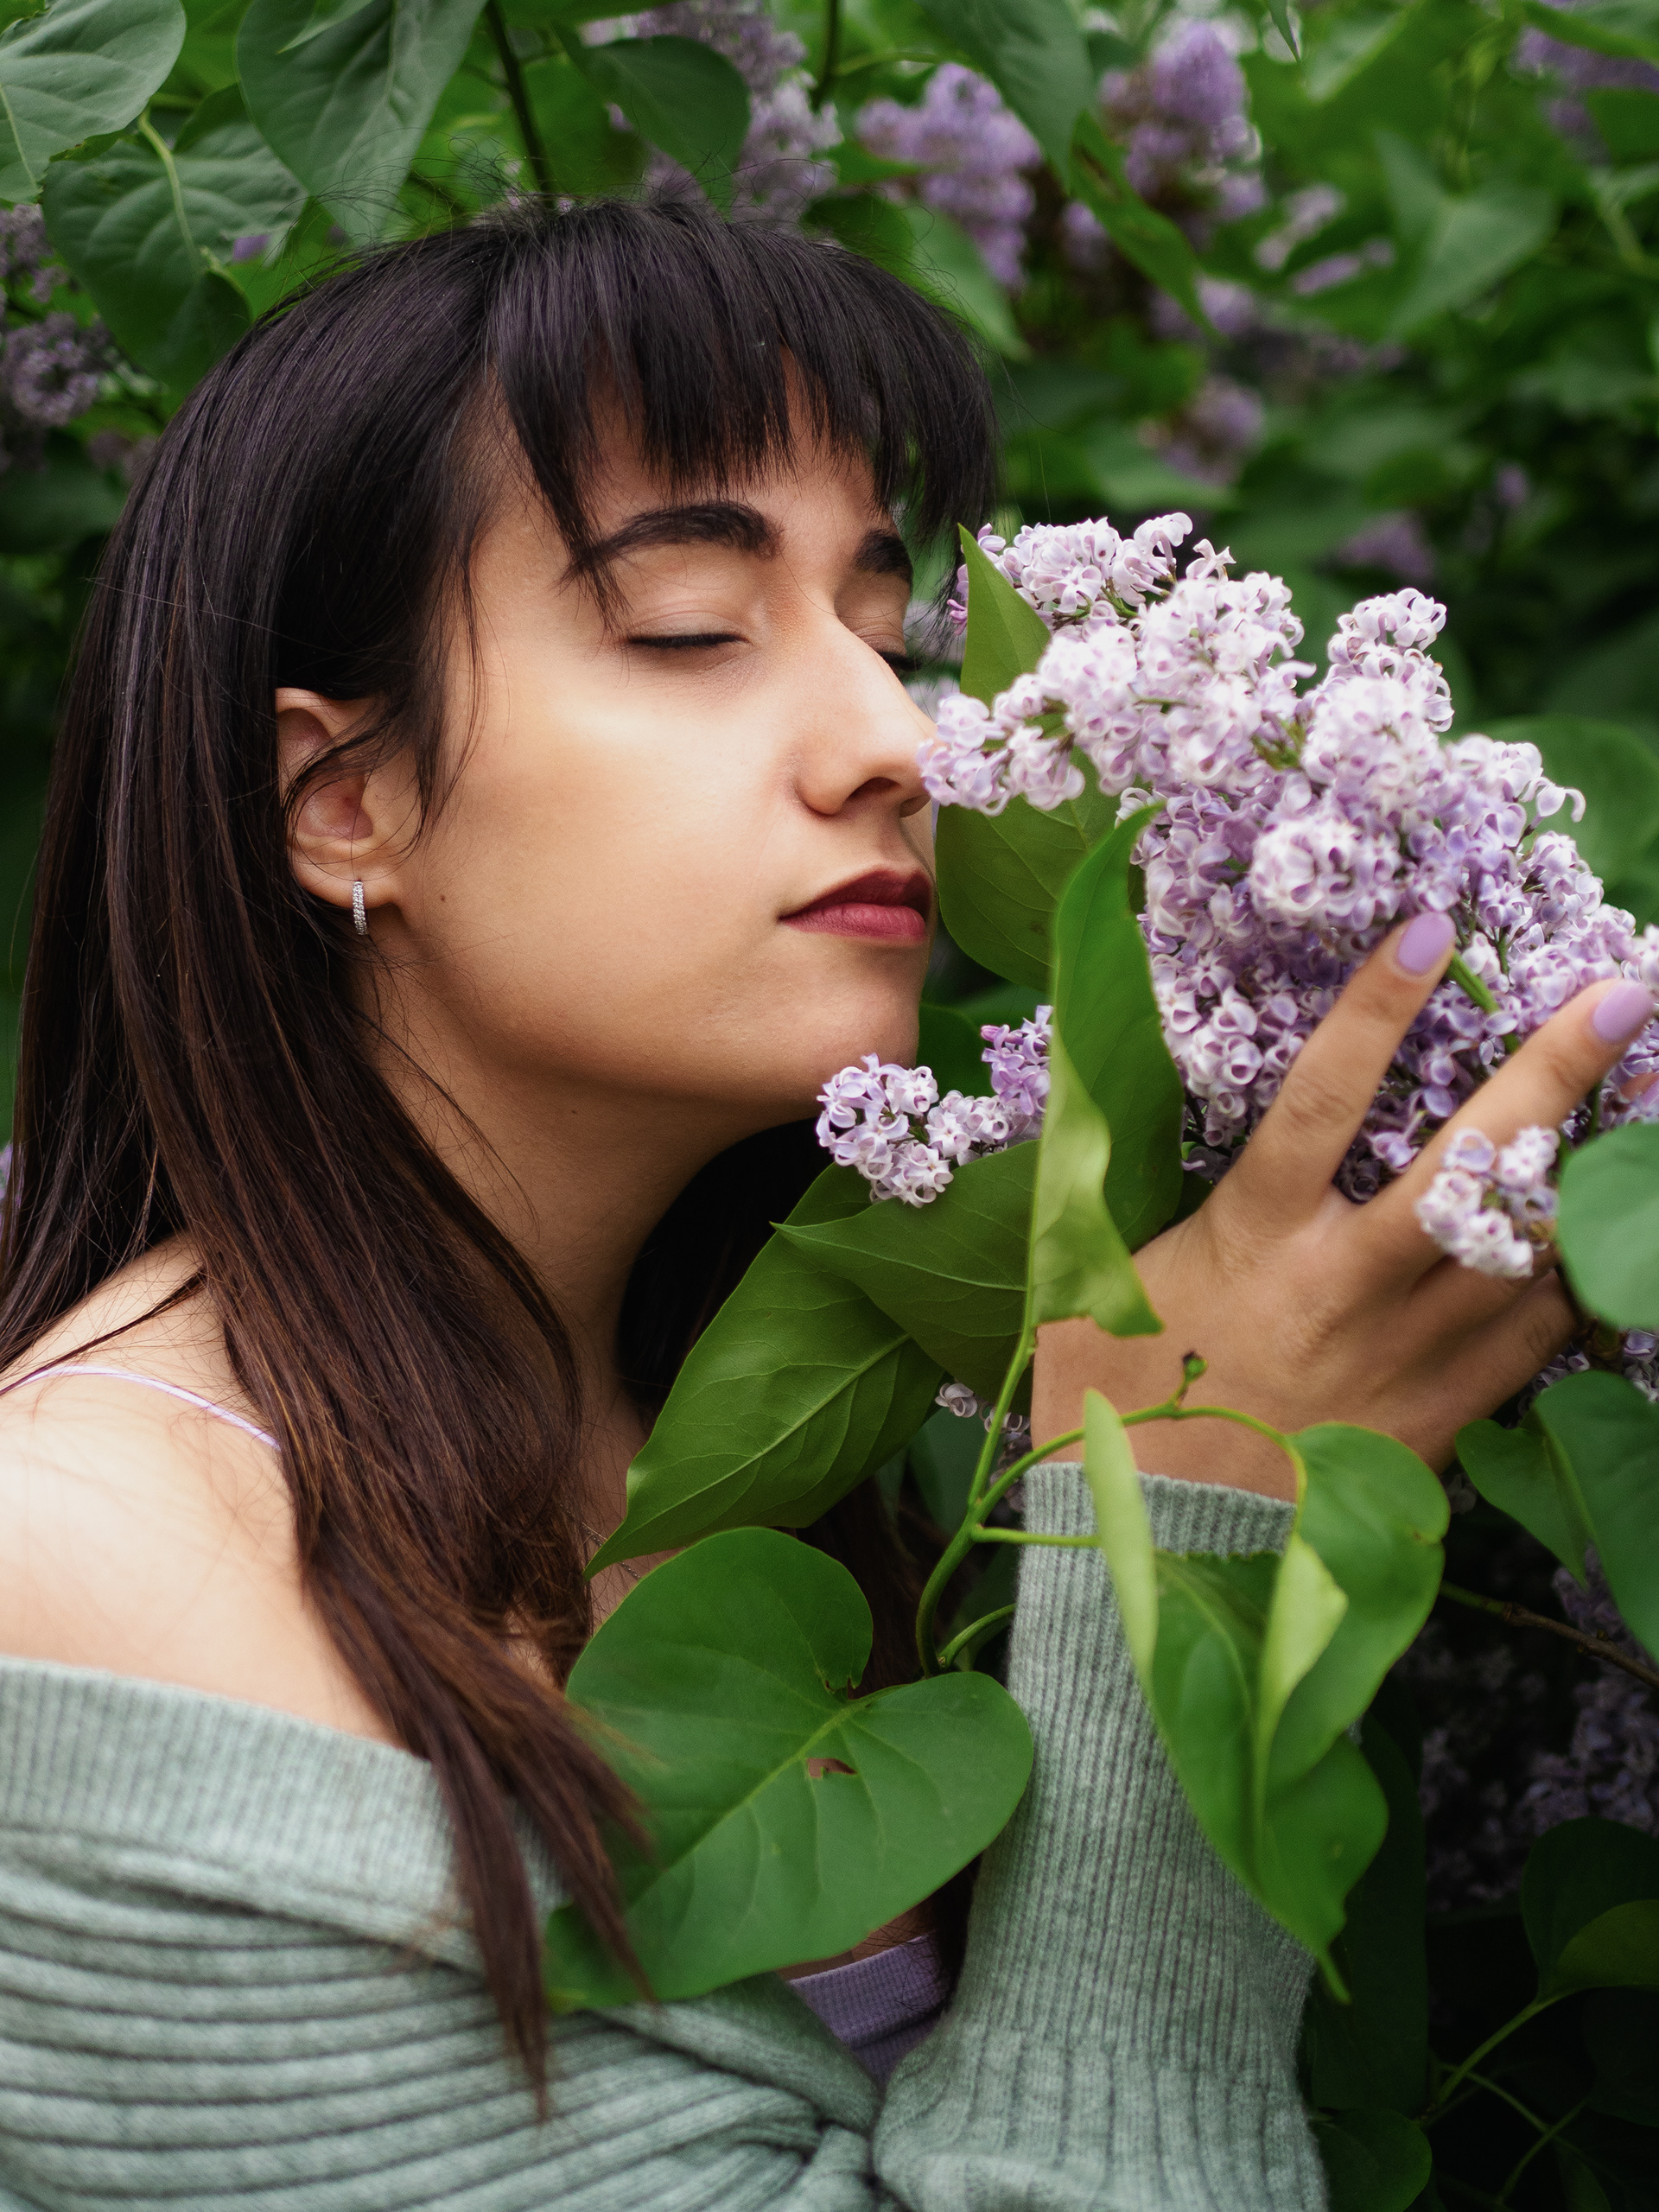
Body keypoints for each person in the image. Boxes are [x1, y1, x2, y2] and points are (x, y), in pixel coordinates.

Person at [0, 196, 1643, 2211]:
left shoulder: (853, 1438)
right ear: (344, 802)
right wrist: (1193, 1511)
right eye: (694, 625)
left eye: (886, 629)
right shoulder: (74, 1574)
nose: (901, 740)